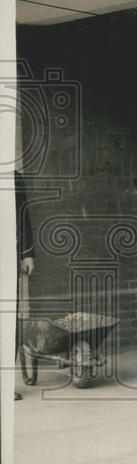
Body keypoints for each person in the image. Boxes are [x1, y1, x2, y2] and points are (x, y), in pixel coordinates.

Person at [15, 170, 33, 401]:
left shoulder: (13, 176)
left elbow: (23, 216)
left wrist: (28, 254)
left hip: (7, 253)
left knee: (8, 320)